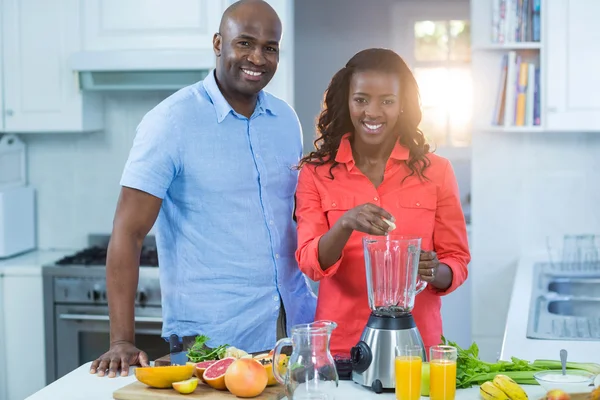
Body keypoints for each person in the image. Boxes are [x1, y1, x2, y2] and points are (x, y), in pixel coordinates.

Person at [90, 0, 316, 378]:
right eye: (244, 43)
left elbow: (292, 216)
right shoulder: (170, 122)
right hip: (209, 337)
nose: (257, 57)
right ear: (217, 43)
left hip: (290, 327)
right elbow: (127, 233)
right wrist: (121, 341)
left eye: (270, 47)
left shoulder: (285, 121)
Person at [294, 48, 471, 357]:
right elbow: (310, 261)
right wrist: (346, 223)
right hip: (340, 350)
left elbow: (456, 260)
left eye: (387, 101)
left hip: (416, 348)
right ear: (346, 102)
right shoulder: (316, 173)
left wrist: (434, 270)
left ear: (402, 105)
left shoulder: (438, 172)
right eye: (361, 99)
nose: (372, 112)